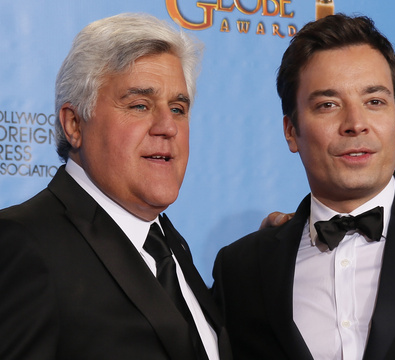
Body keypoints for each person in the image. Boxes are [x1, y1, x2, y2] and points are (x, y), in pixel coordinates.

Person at [212, 14, 395, 360]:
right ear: (291, 131)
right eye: (328, 105)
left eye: (375, 102)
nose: (355, 124)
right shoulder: (242, 270)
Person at [0, 13, 233, 360]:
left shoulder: (171, 247)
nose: (168, 126)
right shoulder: (21, 243)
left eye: (178, 108)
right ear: (74, 124)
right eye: (140, 105)